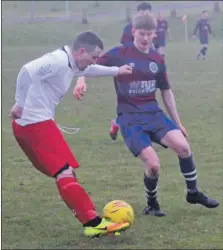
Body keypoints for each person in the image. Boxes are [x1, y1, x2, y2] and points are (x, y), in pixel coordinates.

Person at [74, 15, 219, 216]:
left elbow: (166, 91)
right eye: (142, 33)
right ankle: (152, 204)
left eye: (150, 34)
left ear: (154, 34)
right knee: (153, 165)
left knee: (184, 147)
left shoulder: (157, 59)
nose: (145, 38)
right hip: (130, 118)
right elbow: (91, 64)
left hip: (153, 114)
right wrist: (81, 79)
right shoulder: (120, 53)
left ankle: (193, 193)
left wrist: (178, 123)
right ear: (133, 32)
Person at [10, 31, 133, 237]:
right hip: (34, 123)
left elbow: (91, 69)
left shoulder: (71, 61)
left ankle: (88, 219)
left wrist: (116, 71)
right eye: (93, 57)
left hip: (36, 124)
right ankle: (92, 222)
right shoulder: (58, 60)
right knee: (64, 172)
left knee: (66, 174)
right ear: (81, 51)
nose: (94, 62)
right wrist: (20, 103)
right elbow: (26, 70)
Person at [111, 2, 152, 140]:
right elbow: (125, 50)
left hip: (145, 70)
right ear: (137, 13)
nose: (145, 15)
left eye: (147, 13)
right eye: (142, 13)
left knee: (144, 98)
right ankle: (119, 123)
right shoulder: (129, 28)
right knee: (127, 101)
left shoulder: (151, 28)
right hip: (127, 69)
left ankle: (119, 123)